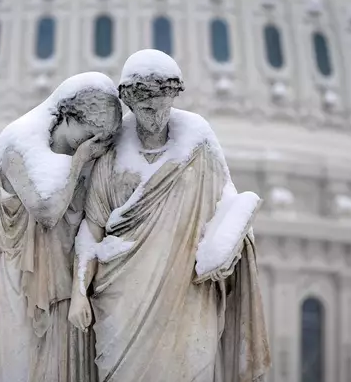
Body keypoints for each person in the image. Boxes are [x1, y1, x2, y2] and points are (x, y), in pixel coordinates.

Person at [68, 50, 271, 382]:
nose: (155, 114)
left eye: (163, 104)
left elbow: (226, 207)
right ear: (130, 104)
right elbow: (92, 230)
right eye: (146, 106)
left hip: (187, 296)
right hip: (122, 300)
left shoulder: (198, 145)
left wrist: (230, 247)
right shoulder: (112, 155)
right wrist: (79, 293)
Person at [0, 72, 122, 382]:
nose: (91, 144)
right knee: (29, 370)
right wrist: (79, 161)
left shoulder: (88, 154)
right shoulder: (17, 146)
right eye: (88, 134)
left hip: (66, 284)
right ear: (67, 115)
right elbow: (47, 212)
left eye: (99, 139)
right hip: (23, 284)